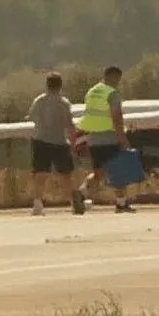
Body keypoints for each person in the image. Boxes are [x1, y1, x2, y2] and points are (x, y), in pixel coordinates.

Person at [75, 65, 135, 213]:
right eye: (118, 79)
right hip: (109, 136)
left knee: (98, 172)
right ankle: (121, 204)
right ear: (114, 77)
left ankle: (81, 193)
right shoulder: (112, 93)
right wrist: (123, 138)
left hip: (94, 138)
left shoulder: (92, 91)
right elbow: (116, 116)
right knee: (119, 170)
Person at [29, 72, 84, 216]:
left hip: (41, 141)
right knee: (66, 175)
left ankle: (37, 204)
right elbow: (69, 125)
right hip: (59, 142)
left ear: (47, 85)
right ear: (60, 85)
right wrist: (73, 145)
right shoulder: (64, 103)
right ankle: (74, 202)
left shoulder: (38, 101)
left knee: (40, 174)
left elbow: (33, 118)